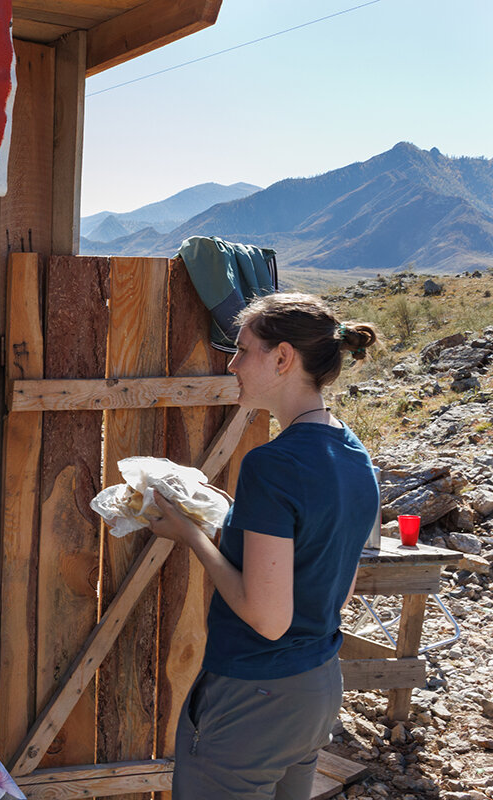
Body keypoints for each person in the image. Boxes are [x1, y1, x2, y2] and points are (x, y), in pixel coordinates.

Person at [149, 292, 380, 799]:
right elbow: (335, 589)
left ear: (282, 358)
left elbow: (269, 618)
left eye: (243, 350)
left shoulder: (272, 464)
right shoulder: (354, 455)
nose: (231, 363)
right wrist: (232, 517)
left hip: (253, 699)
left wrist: (192, 535)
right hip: (316, 688)